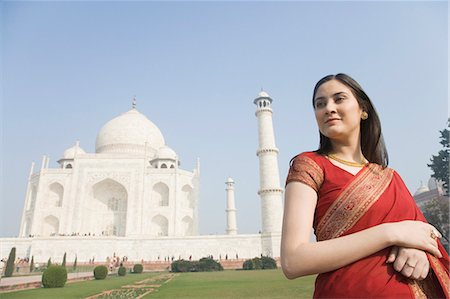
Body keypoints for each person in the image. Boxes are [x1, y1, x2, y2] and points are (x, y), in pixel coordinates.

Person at [281, 73, 449, 298]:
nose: (328, 108)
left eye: (339, 99)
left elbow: (426, 234)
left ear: (363, 110)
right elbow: (294, 260)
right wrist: (390, 233)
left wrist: (417, 249)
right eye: (320, 104)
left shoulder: (390, 177)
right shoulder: (310, 165)